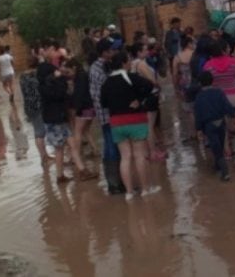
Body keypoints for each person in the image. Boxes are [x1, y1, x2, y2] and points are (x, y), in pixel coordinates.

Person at [101, 51, 161, 201]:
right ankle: (145, 189)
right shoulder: (132, 78)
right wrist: (139, 100)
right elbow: (150, 86)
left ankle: (129, 192)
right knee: (140, 156)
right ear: (123, 63)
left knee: (125, 157)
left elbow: (103, 103)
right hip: (135, 120)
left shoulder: (106, 83)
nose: (130, 63)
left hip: (116, 123)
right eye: (128, 60)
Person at [91, 37, 126, 194]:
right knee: (111, 147)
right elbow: (108, 89)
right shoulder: (97, 69)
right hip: (106, 114)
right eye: (111, 50)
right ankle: (114, 184)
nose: (114, 52)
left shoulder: (105, 66)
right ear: (105, 52)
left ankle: (119, 181)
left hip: (112, 113)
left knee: (116, 146)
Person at [203, 39, 235, 160]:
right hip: (234, 95)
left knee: (222, 125)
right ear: (223, 50)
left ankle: (227, 152)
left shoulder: (208, 66)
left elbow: (207, 81)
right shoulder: (234, 62)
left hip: (218, 98)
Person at [37, 53, 75, 184]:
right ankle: (60, 176)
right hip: (54, 120)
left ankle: (66, 173)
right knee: (59, 148)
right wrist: (60, 79)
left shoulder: (44, 85)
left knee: (66, 145)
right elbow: (60, 94)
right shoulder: (47, 87)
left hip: (56, 119)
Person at [194, 71, 235, 182]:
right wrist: (232, 117)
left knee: (215, 147)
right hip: (221, 122)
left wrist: (198, 129)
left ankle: (225, 172)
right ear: (212, 80)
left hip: (209, 125)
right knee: (220, 144)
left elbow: (198, 115)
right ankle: (218, 165)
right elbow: (227, 106)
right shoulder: (219, 92)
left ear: (199, 83)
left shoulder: (199, 97)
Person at [129, 43, 165, 162]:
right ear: (138, 52)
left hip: (141, 96)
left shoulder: (132, 64)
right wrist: (160, 88)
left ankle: (148, 151)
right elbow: (152, 80)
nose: (147, 51)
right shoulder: (142, 63)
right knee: (150, 126)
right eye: (144, 49)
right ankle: (153, 152)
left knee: (146, 125)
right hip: (150, 95)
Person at [63, 58, 102, 166]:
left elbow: (79, 95)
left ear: (74, 67)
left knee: (77, 132)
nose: (69, 75)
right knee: (86, 130)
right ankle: (95, 150)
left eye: (69, 71)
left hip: (83, 108)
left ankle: (75, 156)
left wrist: (76, 109)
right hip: (90, 107)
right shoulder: (84, 74)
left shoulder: (80, 78)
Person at [19, 52, 52, 165]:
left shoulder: (22, 76)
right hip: (39, 105)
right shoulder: (37, 74)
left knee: (37, 130)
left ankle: (44, 156)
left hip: (28, 106)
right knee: (41, 132)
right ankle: (44, 157)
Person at [172, 36, 195, 112]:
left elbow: (175, 74)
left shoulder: (177, 57)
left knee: (188, 105)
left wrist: (175, 87)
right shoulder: (195, 54)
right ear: (189, 44)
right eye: (192, 43)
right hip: (196, 81)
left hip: (184, 83)